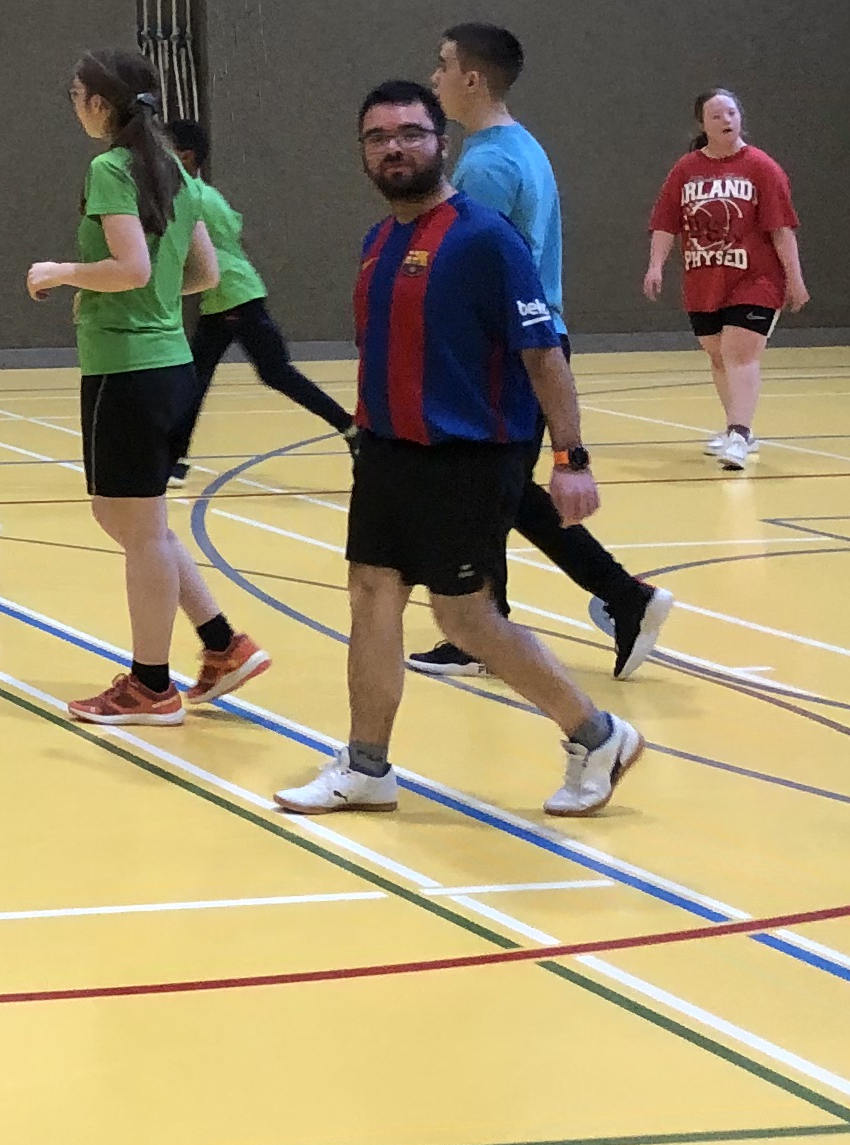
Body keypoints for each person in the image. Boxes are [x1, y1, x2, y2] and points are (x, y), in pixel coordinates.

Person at [276, 80, 649, 819]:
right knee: (371, 593)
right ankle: (367, 767)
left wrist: (570, 458)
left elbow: (544, 355)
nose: (394, 148)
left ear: (440, 143)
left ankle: (598, 735)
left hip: (470, 457)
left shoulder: (486, 239)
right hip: (388, 452)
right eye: (378, 137)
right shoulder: (378, 242)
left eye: (410, 133)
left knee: (465, 618)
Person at [418, 23, 670, 681]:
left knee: (487, 490)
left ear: (472, 78)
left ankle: (599, 601)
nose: (435, 77)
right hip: (528, 340)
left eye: (443, 64)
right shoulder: (519, 146)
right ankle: (576, 606)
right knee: (499, 493)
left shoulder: (487, 167)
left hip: (510, 349)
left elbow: (475, 270)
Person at [28, 49, 262, 723]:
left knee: (137, 528)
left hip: (128, 367)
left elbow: (130, 267)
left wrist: (63, 272)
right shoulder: (173, 172)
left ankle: (151, 686)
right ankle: (222, 644)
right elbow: (204, 273)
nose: (74, 106)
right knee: (131, 520)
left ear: (100, 104)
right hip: (164, 363)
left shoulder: (111, 169)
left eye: (76, 95)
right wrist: (146, 297)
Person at [164, 116, 356, 466]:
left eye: (166, 150)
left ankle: (350, 427)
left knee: (274, 371)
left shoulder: (189, 196)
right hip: (225, 297)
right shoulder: (206, 194)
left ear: (186, 157)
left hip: (234, 296)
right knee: (198, 376)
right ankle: (174, 459)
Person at [645, 90, 806, 471]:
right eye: (716, 116)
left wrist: (795, 279)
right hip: (704, 279)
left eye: (731, 113)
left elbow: (781, 229)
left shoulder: (761, 167)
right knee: (718, 355)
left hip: (755, 279)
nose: (726, 120)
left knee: (739, 353)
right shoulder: (686, 169)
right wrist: (655, 266)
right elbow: (665, 223)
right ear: (702, 124)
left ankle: (739, 433)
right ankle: (737, 427)